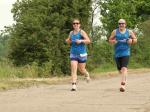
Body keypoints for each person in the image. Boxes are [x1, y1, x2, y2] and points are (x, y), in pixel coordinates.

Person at [108, 19, 137, 92]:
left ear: (125, 24)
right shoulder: (115, 31)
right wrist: (113, 41)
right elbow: (109, 40)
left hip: (126, 52)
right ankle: (124, 76)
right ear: (118, 24)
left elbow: (135, 39)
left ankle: (122, 84)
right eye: (120, 23)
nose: (121, 25)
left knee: (124, 68)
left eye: (122, 23)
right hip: (117, 53)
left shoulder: (129, 31)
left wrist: (132, 41)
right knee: (120, 70)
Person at [65, 18, 91, 91]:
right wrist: (67, 41)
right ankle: (74, 85)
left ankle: (87, 74)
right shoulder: (71, 33)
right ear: (73, 25)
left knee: (82, 70)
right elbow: (69, 40)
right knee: (73, 69)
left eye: (77, 23)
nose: (75, 24)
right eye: (74, 23)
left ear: (79, 25)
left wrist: (81, 41)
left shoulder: (82, 32)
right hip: (73, 53)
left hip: (82, 54)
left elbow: (88, 41)